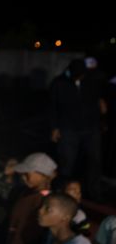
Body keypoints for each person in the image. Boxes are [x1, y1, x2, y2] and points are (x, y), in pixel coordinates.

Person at [49, 59, 103, 201]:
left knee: (94, 161)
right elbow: (53, 106)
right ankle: (63, 192)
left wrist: (101, 113)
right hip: (68, 128)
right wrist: (54, 127)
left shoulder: (90, 80)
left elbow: (97, 98)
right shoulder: (59, 83)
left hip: (90, 127)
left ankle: (94, 192)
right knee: (66, 162)